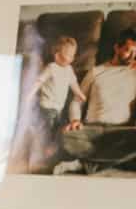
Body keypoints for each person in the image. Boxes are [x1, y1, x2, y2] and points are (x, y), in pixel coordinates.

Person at [56, 28, 136, 175]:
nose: (133, 56)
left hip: (120, 132)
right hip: (92, 130)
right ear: (117, 47)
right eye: (128, 50)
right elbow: (76, 100)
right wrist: (75, 120)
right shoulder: (95, 71)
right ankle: (112, 161)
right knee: (64, 135)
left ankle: (85, 163)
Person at [10, 33, 84, 173]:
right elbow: (39, 81)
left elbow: (73, 83)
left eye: (73, 54)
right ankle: (43, 151)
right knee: (48, 130)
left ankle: (49, 151)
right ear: (57, 55)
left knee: (59, 130)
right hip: (47, 107)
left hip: (59, 109)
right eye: (68, 54)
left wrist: (79, 93)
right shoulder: (51, 67)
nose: (72, 58)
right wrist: (29, 95)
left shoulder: (69, 70)